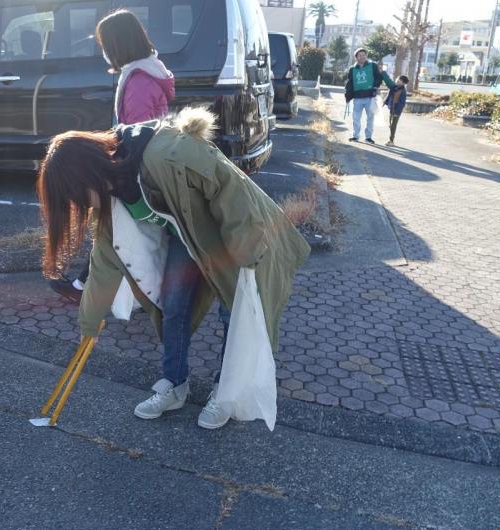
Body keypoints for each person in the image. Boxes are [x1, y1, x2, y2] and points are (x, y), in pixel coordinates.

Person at [36, 107, 310, 429]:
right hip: (187, 235)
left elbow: (230, 188)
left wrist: (246, 250)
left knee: (233, 309)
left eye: (76, 194)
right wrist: (90, 321)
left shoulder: (167, 154)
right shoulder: (111, 192)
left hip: (233, 232)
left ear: (88, 172)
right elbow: (105, 260)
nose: (80, 204)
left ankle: (225, 391)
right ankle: (174, 385)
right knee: (174, 304)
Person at [49, 9, 175, 302]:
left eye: (105, 44)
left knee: (115, 234)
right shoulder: (147, 71)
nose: (104, 52)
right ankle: (87, 286)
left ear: (119, 43)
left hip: (136, 173)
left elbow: (137, 135)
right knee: (117, 234)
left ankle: (91, 289)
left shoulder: (139, 82)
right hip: (144, 169)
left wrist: (117, 172)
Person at [344, 48, 385, 144]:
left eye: (364, 55)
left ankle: (368, 137)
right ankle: (355, 136)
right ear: (356, 57)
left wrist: (375, 85)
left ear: (366, 56)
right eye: (360, 55)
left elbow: (378, 77)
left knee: (370, 118)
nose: (362, 57)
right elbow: (350, 83)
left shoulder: (372, 65)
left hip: (370, 97)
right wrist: (348, 96)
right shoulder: (352, 69)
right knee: (356, 118)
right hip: (357, 97)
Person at [383, 75, 408, 146]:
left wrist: (397, 112)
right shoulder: (394, 87)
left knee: (393, 125)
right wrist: (384, 102)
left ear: (403, 83)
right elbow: (389, 95)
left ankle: (391, 141)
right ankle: (391, 140)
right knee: (390, 124)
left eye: (400, 80)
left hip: (396, 110)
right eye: (397, 79)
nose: (397, 80)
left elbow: (402, 103)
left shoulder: (403, 91)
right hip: (392, 108)